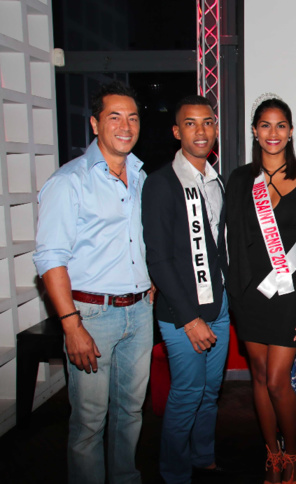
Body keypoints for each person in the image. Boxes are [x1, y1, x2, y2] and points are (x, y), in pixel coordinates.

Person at [33, 81, 153, 484]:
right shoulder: (69, 181)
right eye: (114, 117)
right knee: (89, 421)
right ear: (95, 124)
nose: (125, 126)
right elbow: (50, 258)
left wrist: (149, 282)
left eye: (132, 117)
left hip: (139, 312)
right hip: (91, 315)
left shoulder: (139, 176)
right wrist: (71, 325)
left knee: (130, 412)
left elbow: (139, 240)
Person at [225, 93, 296, 484]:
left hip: (290, 294)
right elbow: (233, 242)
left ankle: (293, 452)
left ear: (291, 131)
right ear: (254, 131)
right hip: (251, 295)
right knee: (259, 376)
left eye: (281, 125)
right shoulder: (239, 180)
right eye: (265, 125)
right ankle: (272, 454)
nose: (273, 133)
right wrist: (236, 295)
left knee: (278, 379)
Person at [142, 95, 230, 483]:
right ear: (177, 132)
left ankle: (202, 457)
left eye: (207, 122)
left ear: (215, 129)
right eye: (191, 124)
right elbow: (159, 259)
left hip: (219, 305)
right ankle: (174, 473)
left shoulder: (218, 181)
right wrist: (190, 319)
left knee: (210, 391)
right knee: (188, 392)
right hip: (182, 312)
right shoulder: (162, 183)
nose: (201, 131)